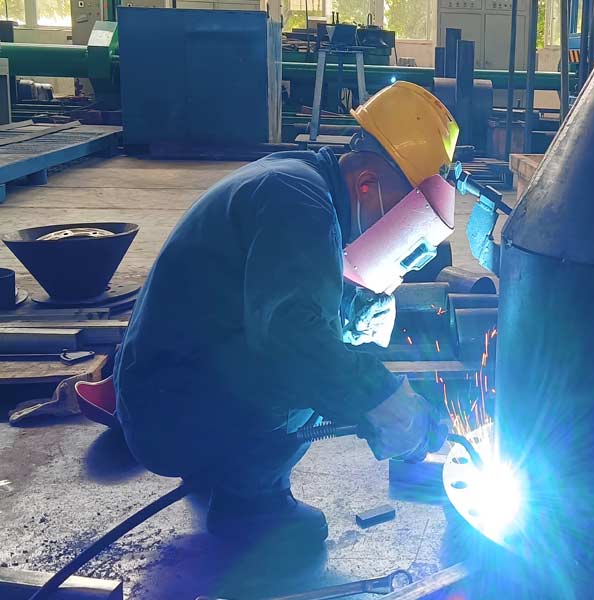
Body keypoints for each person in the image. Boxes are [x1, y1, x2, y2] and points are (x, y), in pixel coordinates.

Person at [113, 82, 458, 543]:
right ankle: (253, 505)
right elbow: (292, 342)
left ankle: (226, 468)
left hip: (165, 386)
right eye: (398, 215)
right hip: (167, 416)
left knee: (329, 348)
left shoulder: (301, 181)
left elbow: (269, 289)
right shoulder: (300, 205)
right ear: (368, 184)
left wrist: (350, 313)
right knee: (313, 368)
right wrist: (382, 398)